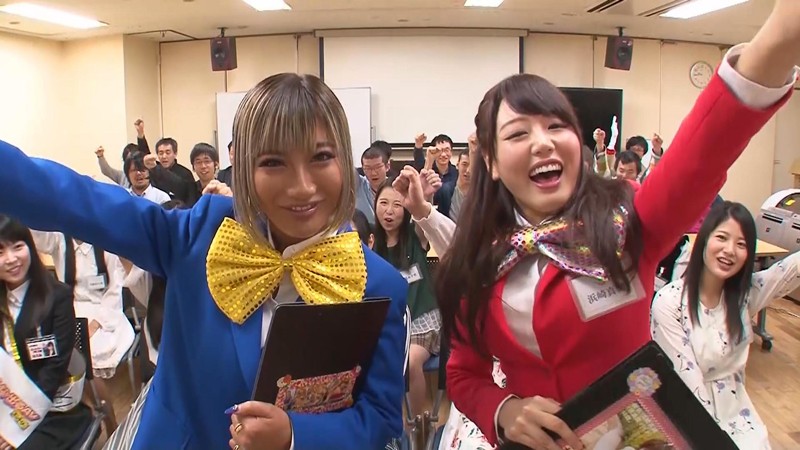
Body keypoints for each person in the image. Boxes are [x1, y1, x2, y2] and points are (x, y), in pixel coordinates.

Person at [434, 3, 800, 448]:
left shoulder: (626, 221)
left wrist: (779, 38)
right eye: (517, 134)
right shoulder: (474, 262)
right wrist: (503, 409)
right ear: (491, 162)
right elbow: (463, 373)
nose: (543, 142)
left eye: (556, 126)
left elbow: (701, 154)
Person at [0, 73, 408, 450]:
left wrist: (293, 435)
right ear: (243, 169)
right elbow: (78, 201)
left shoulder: (380, 286)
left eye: (321, 157)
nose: (302, 187)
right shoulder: (203, 234)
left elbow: (381, 416)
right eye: (273, 162)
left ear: (346, 160)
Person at [651, 201, 800, 449]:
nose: (730, 250)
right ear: (704, 240)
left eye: (741, 244)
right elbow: (689, 387)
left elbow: (787, 272)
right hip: (686, 415)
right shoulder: (670, 302)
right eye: (722, 237)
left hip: (738, 415)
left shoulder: (743, 296)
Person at [0, 215, 91, 450]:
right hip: (5, 406)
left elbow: (53, 370)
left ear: (30, 247)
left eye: (17, 247)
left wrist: (16, 426)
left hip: (52, 409)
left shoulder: (57, 296)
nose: (11, 259)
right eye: (0, 252)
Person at [373, 172, 441, 417]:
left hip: (424, 321)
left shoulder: (415, 235)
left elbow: (425, 220)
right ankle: (389, 417)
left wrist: (423, 199)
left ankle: (417, 422)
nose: (389, 211)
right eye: (383, 203)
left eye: (397, 204)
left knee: (411, 362)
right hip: (391, 324)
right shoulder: (372, 246)